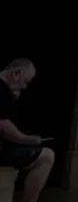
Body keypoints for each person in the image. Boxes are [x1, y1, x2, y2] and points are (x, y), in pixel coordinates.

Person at [0, 60, 54, 202]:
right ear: (16, 73)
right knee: (47, 156)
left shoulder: (6, 91)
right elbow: (3, 124)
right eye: (25, 81)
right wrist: (27, 139)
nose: (24, 86)